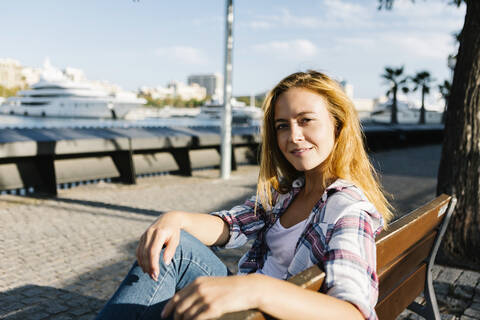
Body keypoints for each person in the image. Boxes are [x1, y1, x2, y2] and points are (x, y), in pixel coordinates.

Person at [95, 70, 393, 320]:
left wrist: (256, 288)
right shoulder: (288, 194)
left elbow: (354, 313)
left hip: (263, 310)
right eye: (282, 126)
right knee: (176, 246)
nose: (293, 136)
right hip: (251, 302)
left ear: (338, 127)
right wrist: (177, 218)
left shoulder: (347, 210)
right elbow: (230, 226)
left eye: (305, 120)